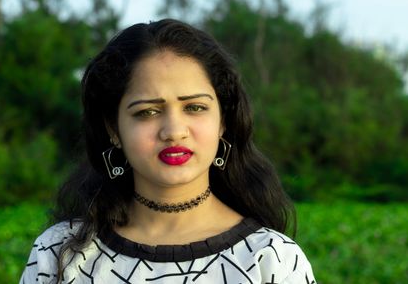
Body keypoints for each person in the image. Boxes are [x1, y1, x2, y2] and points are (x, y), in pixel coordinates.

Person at [20, 19, 316, 283]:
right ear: (113, 129)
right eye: (147, 112)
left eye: (195, 108)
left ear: (223, 121)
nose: (174, 131)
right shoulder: (59, 253)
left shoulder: (271, 259)